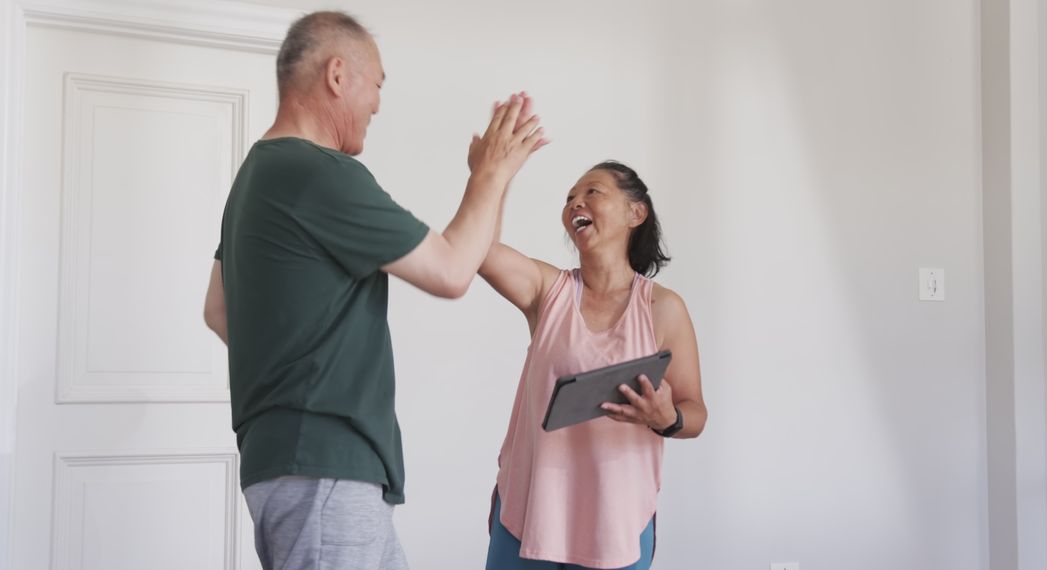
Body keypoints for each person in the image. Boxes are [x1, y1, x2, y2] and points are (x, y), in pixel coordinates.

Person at [201, 11, 545, 570]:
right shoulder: (317, 172)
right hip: (324, 470)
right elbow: (452, 271)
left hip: (303, 468)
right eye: (378, 84)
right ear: (339, 75)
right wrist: (491, 173)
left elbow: (219, 311)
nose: (379, 104)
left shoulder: (256, 178)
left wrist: (491, 179)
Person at [479, 161, 707, 569]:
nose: (574, 204)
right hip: (528, 515)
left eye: (593, 192)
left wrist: (666, 417)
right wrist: (496, 172)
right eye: (569, 198)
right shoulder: (547, 291)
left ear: (636, 213)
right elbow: (478, 250)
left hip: (617, 525)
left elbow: (695, 413)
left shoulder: (663, 308)